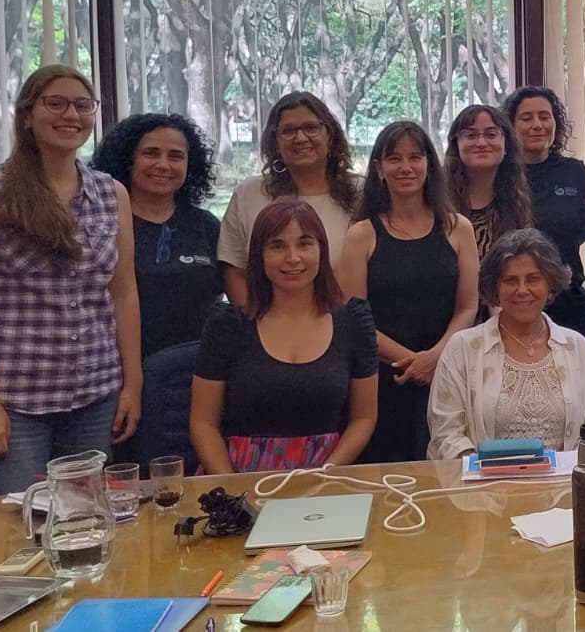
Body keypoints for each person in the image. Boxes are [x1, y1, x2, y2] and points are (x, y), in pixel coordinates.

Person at [0, 65, 142, 496]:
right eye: (55, 103)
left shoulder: (112, 194)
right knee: (15, 520)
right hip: (14, 400)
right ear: (27, 115)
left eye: (82, 105)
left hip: (95, 394)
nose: (70, 114)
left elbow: (123, 293)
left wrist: (133, 384)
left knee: (85, 518)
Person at [190, 199, 377, 473]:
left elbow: (363, 418)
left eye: (304, 244)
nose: (293, 258)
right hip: (237, 478)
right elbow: (203, 423)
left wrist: (323, 475)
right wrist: (230, 486)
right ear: (259, 256)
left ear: (322, 251)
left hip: (327, 477)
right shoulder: (227, 325)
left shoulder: (353, 322)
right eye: (277, 246)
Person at [337, 121, 480, 464]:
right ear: (379, 169)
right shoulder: (361, 234)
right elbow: (354, 317)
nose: (405, 167)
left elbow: (468, 307)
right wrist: (412, 363)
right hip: (379, 383)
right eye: (394, 159)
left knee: (448, 475)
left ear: (429, 165)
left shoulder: (458, 228)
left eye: (415, 157)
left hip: (447, 375)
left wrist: (434, 358)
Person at [427, 229, 585, 458]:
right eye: (510, 280)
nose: (522, 290)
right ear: (495, 287)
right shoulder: (461, 349)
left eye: (533, 279)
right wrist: (487, 474)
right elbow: (445, 435)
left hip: (566, 480)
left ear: (550, 283)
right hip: (481, 480)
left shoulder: (580, 349)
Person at [91, 113, 224, 359]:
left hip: (198, 368)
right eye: (150, 153)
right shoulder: (102, 225)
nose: (163, 165)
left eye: (175, 156)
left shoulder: (207, 227)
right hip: (116, 369)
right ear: (128, 159)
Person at [219, 92, 358, 308]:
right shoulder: (249, 194)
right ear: (275, 142)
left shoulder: (361, 193)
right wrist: (259, 320)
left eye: (311, 128)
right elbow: (234, 270)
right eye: (288, 131)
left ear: (330, 136)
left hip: (342, 322)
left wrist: (331, 322)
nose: (300, 138)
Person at [504, 86, 585, 339]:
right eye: (526, 118)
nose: (537, 125)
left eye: (545, 117)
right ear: (510, 126)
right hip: (513, 305)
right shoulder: (499, 176)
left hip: (569, 305)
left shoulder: (575, 173)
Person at [445, 105, 532, 263]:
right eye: (471, 135)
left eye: (491, 134)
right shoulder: (437, 201)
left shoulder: (517, 201)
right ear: (456, 144)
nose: (481, 143)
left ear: (506, 145)